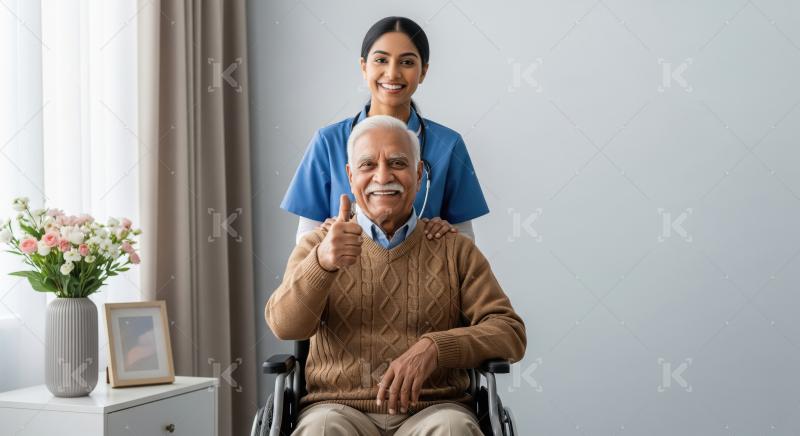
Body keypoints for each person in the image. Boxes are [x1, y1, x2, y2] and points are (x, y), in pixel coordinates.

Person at [266, 115, 526, 436]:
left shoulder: (454, 250)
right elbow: (284, 325)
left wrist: (435, 347)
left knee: (453, 428)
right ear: (350, 175)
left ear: (418, 175)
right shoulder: (319, 245)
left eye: (398, 163)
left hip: (434, 408)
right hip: (336, 407)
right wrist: (322, 263)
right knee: (321, 430)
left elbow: (510, 333)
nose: (383, 176)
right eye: (367, 165)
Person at [281, 16, 489, 244]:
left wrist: (448, 234)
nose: (392, 73)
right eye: (381, 60)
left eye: (407, 62)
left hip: (422, 277)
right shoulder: (328, 142)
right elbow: (305, 241)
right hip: (348, 277)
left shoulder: (448, 145)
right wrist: (323, 238)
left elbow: (466, 241)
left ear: (423, 72)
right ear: (364, 67)